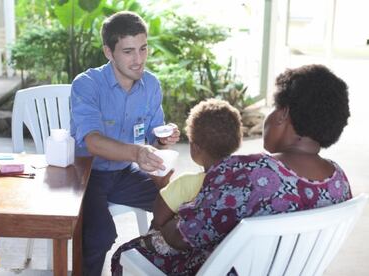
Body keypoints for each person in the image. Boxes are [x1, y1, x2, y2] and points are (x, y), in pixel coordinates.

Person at [111, 64, 352, 275]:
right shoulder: (339, 181)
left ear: (283, 114)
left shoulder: (248, 173)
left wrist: (168, 210)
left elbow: (180, 237)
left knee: (129, 252)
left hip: (227, 268)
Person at [70, 11, 180, 275]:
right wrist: (137, 152)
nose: (139, 59)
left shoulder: (151, 84)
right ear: (109, 52)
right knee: (99, 235)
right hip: (87, 174)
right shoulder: (87, 85)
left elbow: (153, 138)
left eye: (143, 49)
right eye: (129, 51)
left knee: (179, 206)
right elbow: (92, 141)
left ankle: (156, 259)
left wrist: (163, 139)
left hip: (125, 173)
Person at [151, 98, 242, 231]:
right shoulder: (242, 177)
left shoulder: (186, 183)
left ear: (195, 147)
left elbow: (159, 220)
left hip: (188, 247)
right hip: (225, 248)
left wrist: (162, 186)